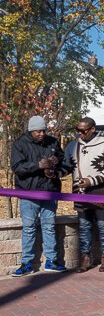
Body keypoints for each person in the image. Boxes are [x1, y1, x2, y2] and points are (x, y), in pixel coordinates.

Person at [10, 116, 67, 277]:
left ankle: (52, 261)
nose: (41, 134)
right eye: (38, 131)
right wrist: (37, 165)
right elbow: (17, 167)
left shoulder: (52, 142)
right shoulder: (19, 144)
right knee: (29, 228)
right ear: (30, 130)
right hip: (28, 193)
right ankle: (27, 263)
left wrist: (56, 163)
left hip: (49, 191)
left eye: (43, 130)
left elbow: (63, 160)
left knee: (49, 226)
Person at [65, 117, 104, 273]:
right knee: (84, 225)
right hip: (80, 191)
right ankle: (86, 257)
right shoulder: (72, 146)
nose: (80, 134)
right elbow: (67, 167)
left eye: (83, 131)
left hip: (99, 190)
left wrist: (91, 181)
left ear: (93, 129)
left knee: (102, 224)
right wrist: (51, 171)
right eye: (77, 130)